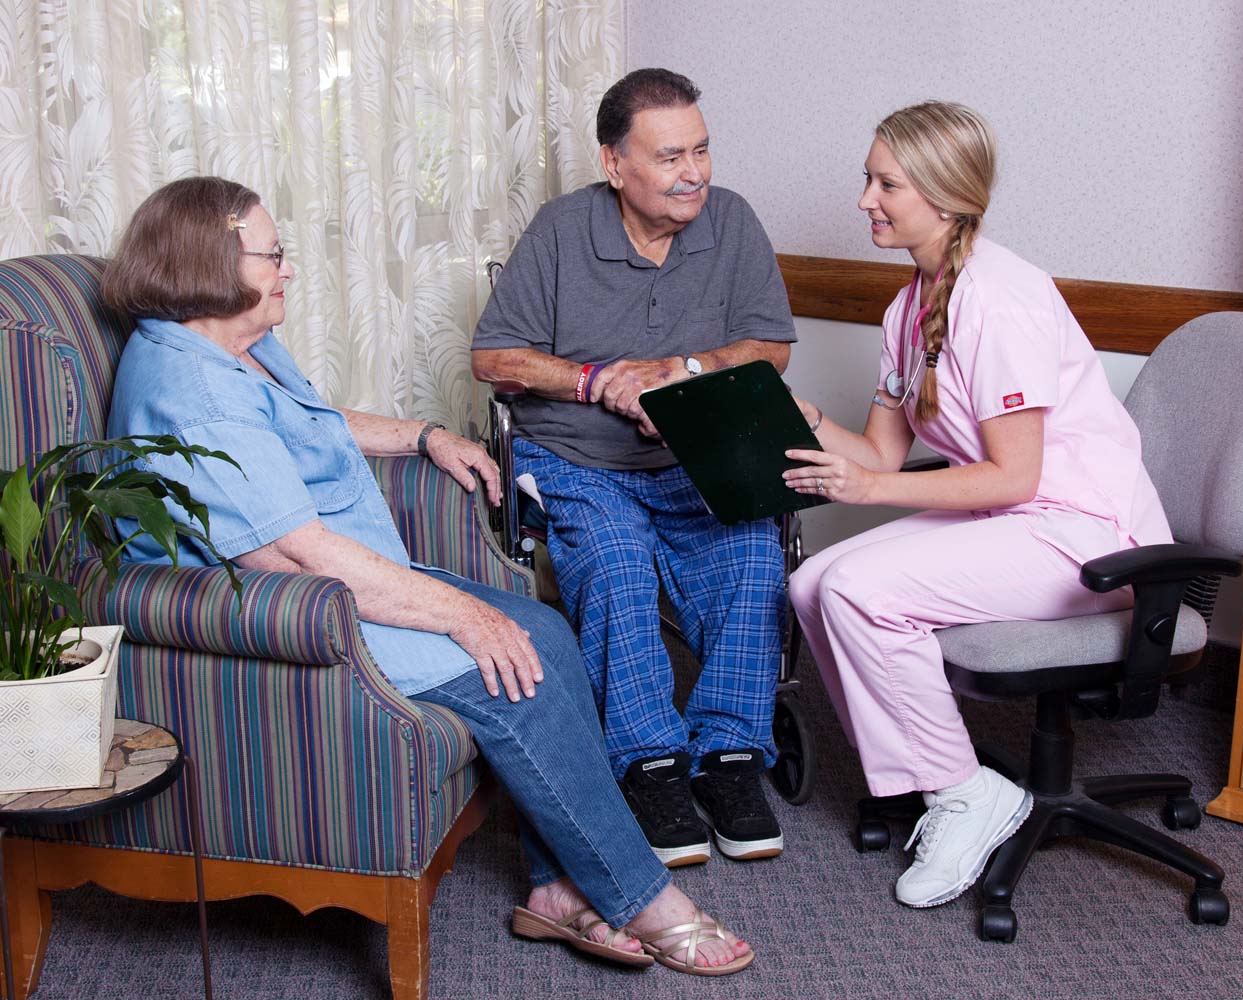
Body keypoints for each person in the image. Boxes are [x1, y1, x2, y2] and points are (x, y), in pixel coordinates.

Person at [101, 176, 755, 977]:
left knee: (545, 627)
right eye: (274, 255)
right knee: (513, 667)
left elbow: (307, 422)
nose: (289, 271)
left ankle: (552, 892)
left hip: (349, 579)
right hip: (296, 613)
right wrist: (457, 614)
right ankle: (641, 895)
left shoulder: (232, 342)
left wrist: (422, 435)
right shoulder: (192, 390)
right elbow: (293, 554)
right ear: (209, 262)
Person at [783, 102, 1172, 909]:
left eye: (885, 182)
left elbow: (1013, 477)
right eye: (868, 178)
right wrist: (791, 412)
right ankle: (932, 782)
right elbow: (881, 451)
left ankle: (966, 792)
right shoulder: (908, 307)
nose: (865, 198)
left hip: (1086, 537)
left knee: (862, 592)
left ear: (944, 194)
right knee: (811, 583)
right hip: (1016, 524)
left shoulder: (1001, 299)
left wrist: (871, 491)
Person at [471, 68, 794, 868]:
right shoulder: (560, 229)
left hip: (694, 453)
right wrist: (592, 381)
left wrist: (680, 368)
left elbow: (771, 345)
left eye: (703, 150)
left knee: (752, 556)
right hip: (580, 457)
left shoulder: (733, 222)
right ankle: (649, 762)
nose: (695, 173)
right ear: (616, 165)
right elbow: (493, 357)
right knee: (614, 563)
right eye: (671, 156)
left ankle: (729, 755)